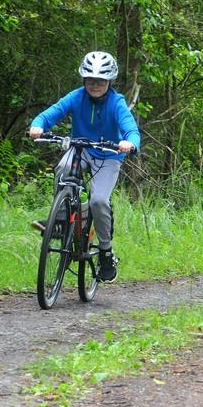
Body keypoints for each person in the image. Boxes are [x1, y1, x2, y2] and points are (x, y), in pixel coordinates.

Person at [29, 51, 140, 282]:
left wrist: (130, 143)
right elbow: (50, 114)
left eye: (100, 80)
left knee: (98, 200)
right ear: (83, 79)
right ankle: (61, 220)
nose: (95, 85)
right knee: (63, 168)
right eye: (90, 80)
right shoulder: (76, 97)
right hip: (81, 149)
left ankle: (106, 252)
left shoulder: (116, 103)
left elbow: (130, 129)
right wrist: (38, 125)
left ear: (109, 81)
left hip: (108, 155)